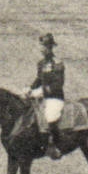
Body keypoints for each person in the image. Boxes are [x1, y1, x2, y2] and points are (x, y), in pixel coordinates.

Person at [27, 33, 65, 161]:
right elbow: (39, 79)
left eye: (44, 46)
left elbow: (58, 84)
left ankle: (53, 146)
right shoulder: (41, 63)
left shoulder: (57, 63)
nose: (42, 49)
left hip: (54, 97)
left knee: (50, 116)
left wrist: (42, 91)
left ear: (50, 47)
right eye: (41, 46)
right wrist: (30, 89)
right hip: (42, 97)